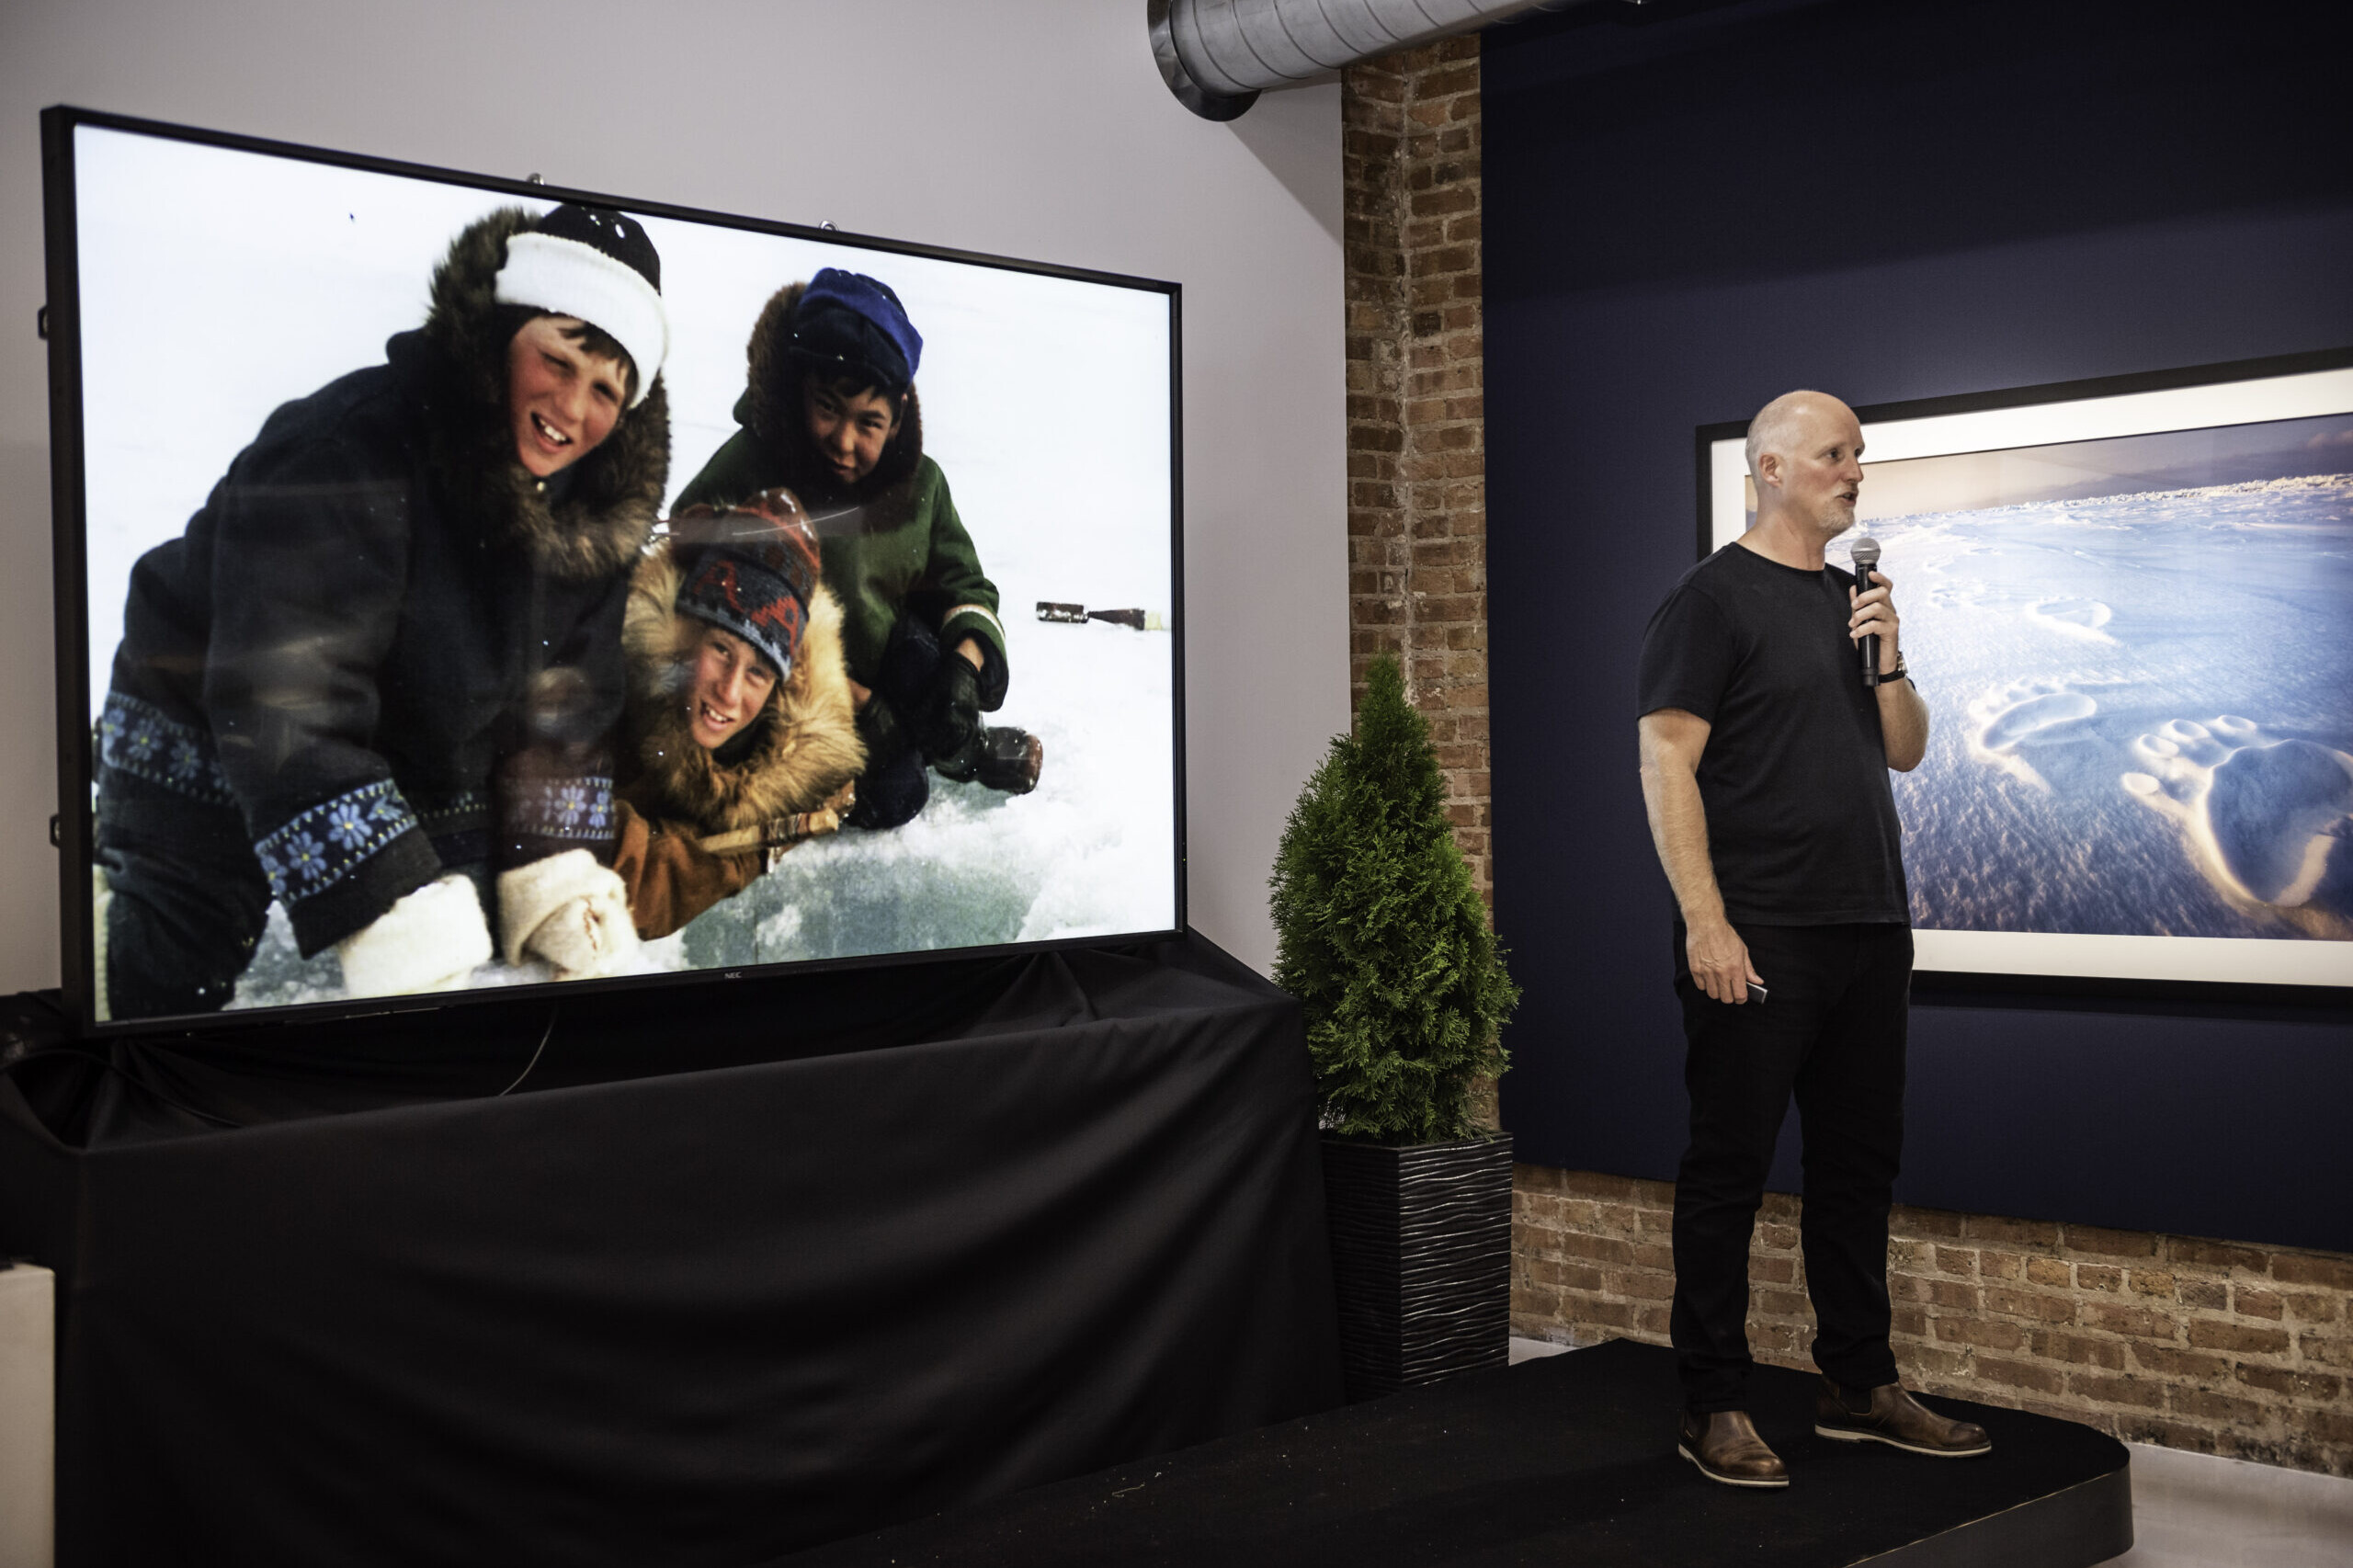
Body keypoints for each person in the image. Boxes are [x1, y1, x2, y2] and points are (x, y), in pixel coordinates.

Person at [92, 203, 671, 1020]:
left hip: (399, 730)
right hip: (210, 710)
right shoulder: (351, 445)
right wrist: (389, 908)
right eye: (558, 358)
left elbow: (567, 712)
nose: (573, 408)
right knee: (179, 951)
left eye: (607, 388)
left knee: (472, 923)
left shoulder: (592, 517)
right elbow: (284, 694)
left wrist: (553, 874)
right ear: (502, 330)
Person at [1635, 390, 1988, 1488]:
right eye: (1834, 454)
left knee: (1855, 1168)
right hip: (1759, 933)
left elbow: (1906, 749)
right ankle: (1712, 1400)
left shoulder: (1851, 599)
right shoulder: (1708, 599)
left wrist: (1889, 654)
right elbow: (1665, 760)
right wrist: (1705, 920)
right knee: (1728, 1170)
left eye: (1858, 455)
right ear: (1773, 468)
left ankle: (1857, 1382)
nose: (1854, 471)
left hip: (1869, 926)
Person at [674, 267, 1042, 830]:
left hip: (879, 674)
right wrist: (853, 702)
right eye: (827, 407)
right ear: (799, 390)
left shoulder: (921, 486)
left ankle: (959, 749)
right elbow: (682, 582)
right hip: (777, 696)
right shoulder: (749, 466)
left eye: (869, 422)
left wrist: (965, 669)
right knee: (898, 794)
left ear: (897, 420)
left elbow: (965, 585)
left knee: (927, 661)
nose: (844, 441)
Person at [608, 491, 865, 938]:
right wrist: (746, 856)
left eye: (758, 673)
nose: (729, 692)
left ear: (781, 687)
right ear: (685, 637)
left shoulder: (790, 769)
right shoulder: (617, 682)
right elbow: (600, 876)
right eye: (721, 650)